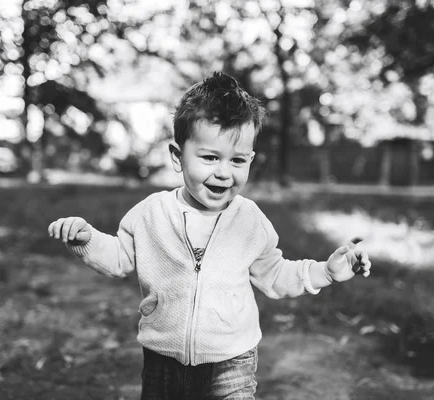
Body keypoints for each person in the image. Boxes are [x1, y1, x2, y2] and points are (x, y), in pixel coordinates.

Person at [47, 72, 372, 399]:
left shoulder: (248, 220)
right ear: (178, 156)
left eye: (237, 161)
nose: (223, 172)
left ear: (250, 161)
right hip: (164, 357)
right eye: (210, 157)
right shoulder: (152, 213)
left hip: (232, 362)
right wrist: (86, 239)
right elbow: (118, 257)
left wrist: (326, 272)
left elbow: (276, 273)